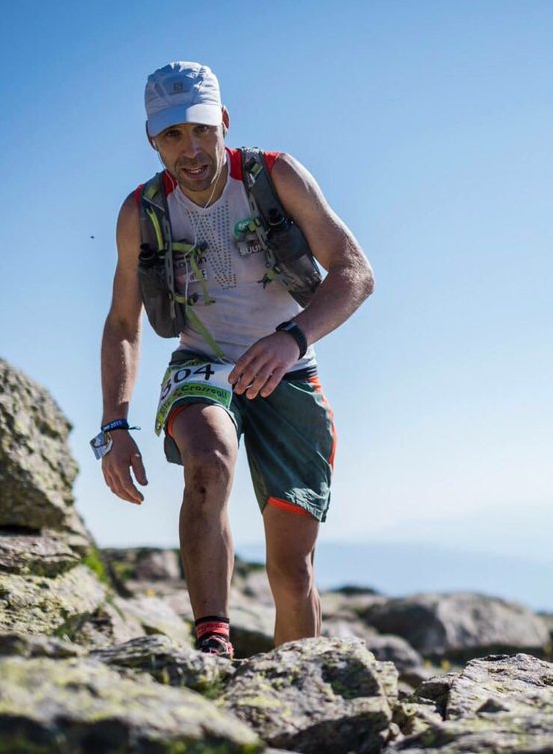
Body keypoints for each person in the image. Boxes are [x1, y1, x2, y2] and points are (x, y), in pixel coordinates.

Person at [98, 61, 374, 657]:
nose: (190, 149)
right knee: (210, 461)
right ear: (153, 139)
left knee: (291, 569)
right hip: (201, 363)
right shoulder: (141, 213)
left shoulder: (276, 177)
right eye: (172, 135)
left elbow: (355, 273)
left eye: (201, 129)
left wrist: (292, 338)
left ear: (223, 122)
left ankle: (295, 689)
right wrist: (114, 426)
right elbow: (123, 323)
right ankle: (212, 642)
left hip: (288, 367)